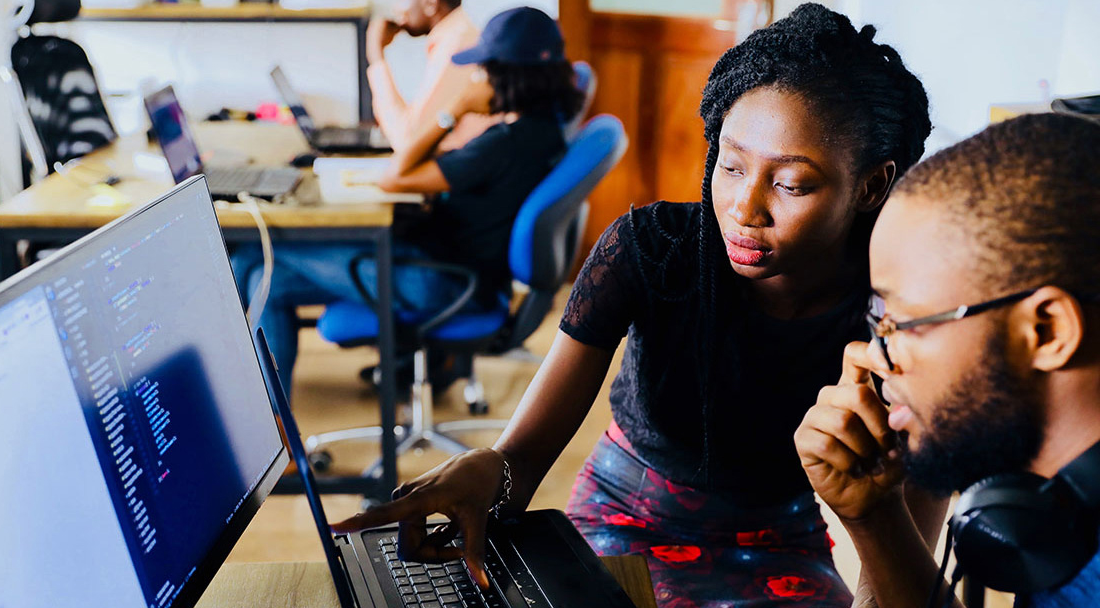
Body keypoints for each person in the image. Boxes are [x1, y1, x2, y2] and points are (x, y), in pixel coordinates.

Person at [334, 4, 938, 606]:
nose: (743, 209)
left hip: (780, 538)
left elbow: (897, 581)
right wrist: (492, 471)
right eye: (729, 166)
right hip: (623, 515)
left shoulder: (904, 315)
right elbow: (519, 461)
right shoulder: (652, 252)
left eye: (791, 184)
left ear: (871, 185)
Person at [795, 113, 1100, 608]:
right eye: (878, 321)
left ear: (1047, 331)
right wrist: (874, 518)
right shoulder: (1052, 509)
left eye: (903, 324)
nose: (874, 356)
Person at [233, 7, 584, 394]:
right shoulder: (544, 131)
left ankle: (263, 418)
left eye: (482, 69)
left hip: (440, 282)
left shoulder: (503, 145)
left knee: (253, 258)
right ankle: (278, 423)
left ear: (507, 76)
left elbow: (395, 175)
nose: (474, 77)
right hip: (459, 273)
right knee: (267, 279)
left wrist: (453, 110)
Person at [367, 0, 496, 152]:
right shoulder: (454, 37)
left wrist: (376, 56)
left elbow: (409, 142)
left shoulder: (456, 46)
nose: (395, 10)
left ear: (430, 4)